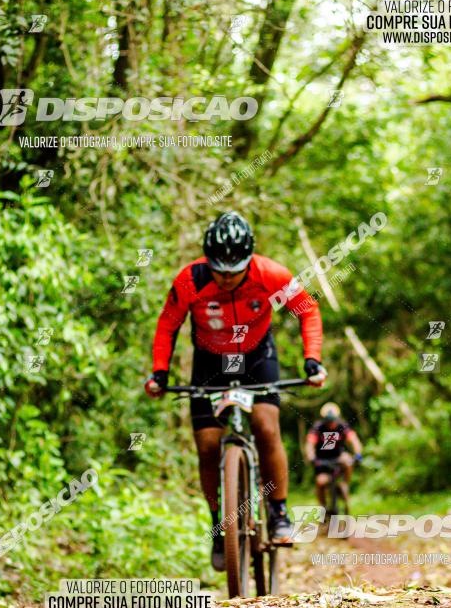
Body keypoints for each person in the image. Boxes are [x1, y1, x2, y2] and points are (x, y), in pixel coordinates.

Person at [145, 211, 327, 571]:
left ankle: (277, 512)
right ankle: (218, 524)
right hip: (210, 361)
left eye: (235, 270)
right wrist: (160, 372)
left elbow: (308, 311)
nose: (227, 278)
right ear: (207, 261)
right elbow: (167, 325)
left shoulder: (272, 274)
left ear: (250, 261)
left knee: (266, 425)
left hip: (257, 355)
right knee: (209, 445)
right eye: (219, 270)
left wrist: (312, 359)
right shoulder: (189, 280)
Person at [305, 402, 362, 509]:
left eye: (333, 421)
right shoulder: (318, 427)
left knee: (348, 460)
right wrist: (311, 457)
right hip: (322, 460)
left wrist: (358, 453)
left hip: (338, 457)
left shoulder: (342, 425)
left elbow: (354, 440)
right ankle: (323, 507)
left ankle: (345, 484)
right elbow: (309, 444)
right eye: (328, 421)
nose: (331, 424)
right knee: (320, 482)